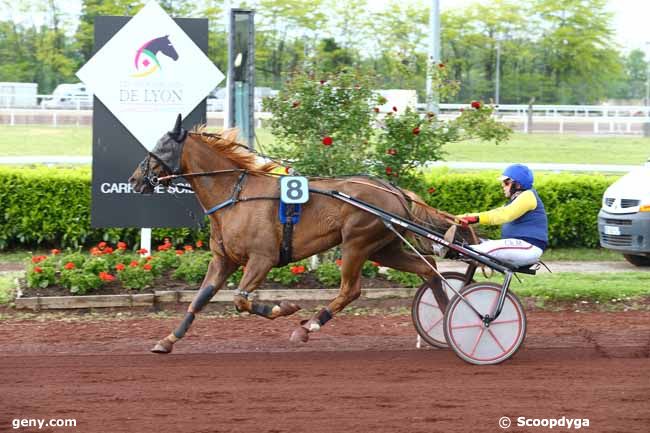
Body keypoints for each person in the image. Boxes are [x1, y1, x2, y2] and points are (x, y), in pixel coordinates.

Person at [448, 164, 548, 267]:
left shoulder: (528, 196)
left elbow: (504, 215)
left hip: (529, 247)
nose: (502, 185)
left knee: (478, 249)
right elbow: (495, 213)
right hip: (520, 246)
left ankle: (451, 251)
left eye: (506, 182)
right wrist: (461, 217)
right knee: (480, 244)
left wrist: (475, 219)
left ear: (518, 185)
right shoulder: (515, 200)